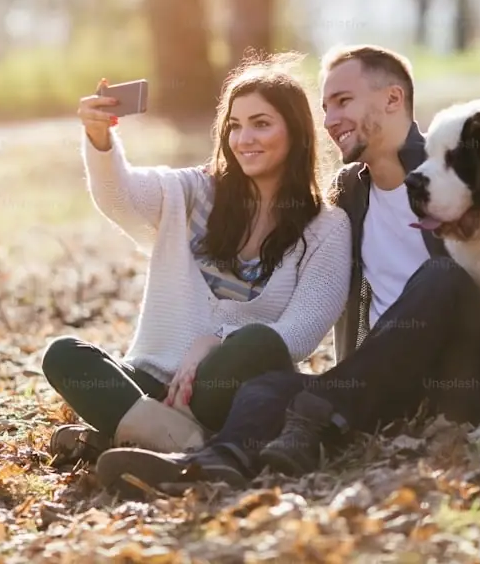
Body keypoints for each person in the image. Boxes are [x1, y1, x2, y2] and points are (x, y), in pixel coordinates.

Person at [94, 44, 480, 494]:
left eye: (343, 102)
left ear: (393, 98)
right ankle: (212, 465)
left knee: (442, 278)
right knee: (268, 388)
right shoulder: (349, 193)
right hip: (375, 378)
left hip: (465, 372)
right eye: (325, 107)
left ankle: (318, 412)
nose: (330, 121)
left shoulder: (460, 164)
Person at [41, 53, 352, 467]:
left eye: (261, 124)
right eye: (235, 126)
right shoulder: (192, 192)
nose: (244, 139)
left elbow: (300, 332)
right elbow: (122, 197)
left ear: (296, 132)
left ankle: (133, 434)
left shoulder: (326, 226)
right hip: (151, 382)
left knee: (261, 341)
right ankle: (190, 447)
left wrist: (215, 342)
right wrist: (100, 140)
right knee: (64, 355)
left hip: (229, 388)